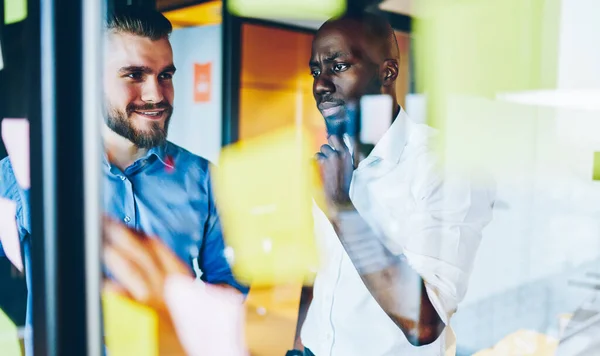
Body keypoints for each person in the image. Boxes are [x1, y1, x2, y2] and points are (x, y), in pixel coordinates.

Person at [0, 7, 247, 355]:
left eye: (165, 75)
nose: (155, 95)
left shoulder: (204, 179)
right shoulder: (24, 175)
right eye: (134, 75)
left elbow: (232, 295)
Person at [294, 12, 495, 356]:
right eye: (316, 70)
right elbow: (318, 267)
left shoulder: (446, 166)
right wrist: (298, 346)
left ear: (387, 72)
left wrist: (340, 208)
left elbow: (423, 324)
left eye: (338, 66)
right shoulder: (334, 161)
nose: (320, 85)